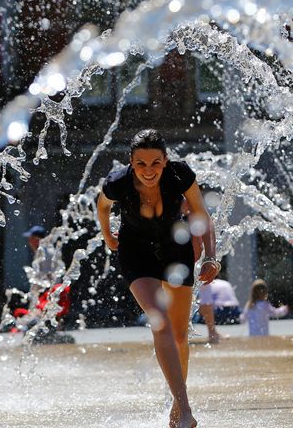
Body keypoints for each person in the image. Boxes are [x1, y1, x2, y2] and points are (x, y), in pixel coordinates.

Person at [96, 129, 219, 428]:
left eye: (155, 163)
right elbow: (101, 207)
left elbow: (201, 214)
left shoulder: (179, 176)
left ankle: (177, 410)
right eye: (141, 164)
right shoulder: (117, 182)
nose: (148, 171)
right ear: (131, 162)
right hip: (136, 254)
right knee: (159, 322)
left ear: (165, 161)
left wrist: (211, 256)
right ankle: (186, 409)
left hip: (176, 249)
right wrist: (108, 234)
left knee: (179, 336)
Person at [197, 278, 240, 344]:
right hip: (235, 312)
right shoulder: (225, 282)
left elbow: (206, 304)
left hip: (220, 312)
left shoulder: (205, 281)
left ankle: (212, 333)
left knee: (198, 309)